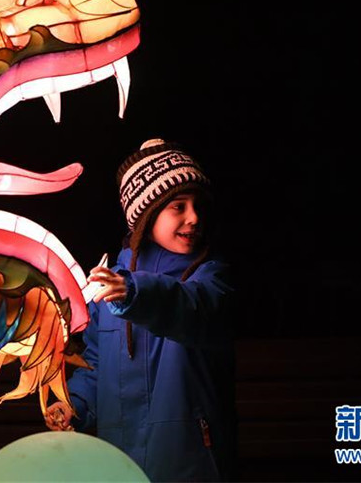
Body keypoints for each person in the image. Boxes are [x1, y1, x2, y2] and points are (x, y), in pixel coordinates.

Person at [45, 139, 237, 482]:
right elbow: (96, 365)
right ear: (146, 215)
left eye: (198, 206)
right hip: (119, 461)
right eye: (178, 207)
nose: (194, 218)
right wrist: (74, 405)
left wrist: (134, 293)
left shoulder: (211, 276)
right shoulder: (109, 285)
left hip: (188, 460)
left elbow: (194, 308)